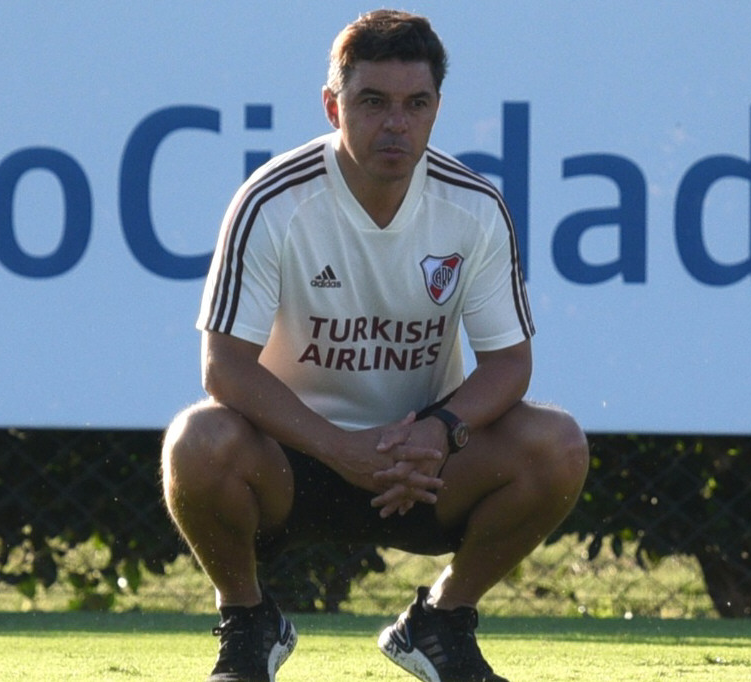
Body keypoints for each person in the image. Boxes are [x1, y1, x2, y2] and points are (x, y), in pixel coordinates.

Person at [162, 9, 589, 682]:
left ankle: (441, 622)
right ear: (333, 106)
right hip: (293, 460)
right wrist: (339, 448)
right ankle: (247, 623)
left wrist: (439, 430)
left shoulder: (473, 206)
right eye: (372, 102)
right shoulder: (272, 200)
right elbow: (223, 367)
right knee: (197, 441)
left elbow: (509, 364)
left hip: (422, 466)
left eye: (415, 104)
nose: (396, 123)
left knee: (557, 445)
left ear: (437, 109)